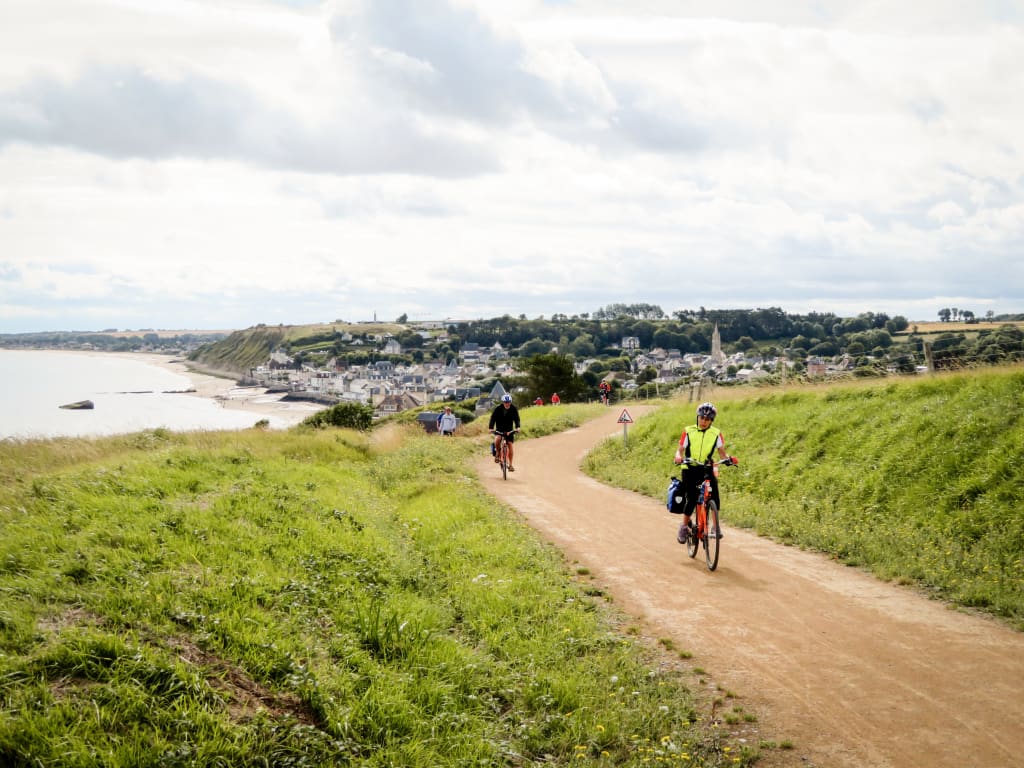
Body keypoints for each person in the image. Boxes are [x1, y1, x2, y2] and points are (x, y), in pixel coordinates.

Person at [672, 402, 736, 543]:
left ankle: (715, 527)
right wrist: (678, 457)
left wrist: (728, 459)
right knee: (692, 497)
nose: (704, 421)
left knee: (714, 495)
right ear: (698, 417)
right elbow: (680, 450)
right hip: (689, 467)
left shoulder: (716, 434)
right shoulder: (688, 431)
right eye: (701, 418)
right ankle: (684, 526)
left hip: (706, 467)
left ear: (711, 421)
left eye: (707, 419)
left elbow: (722, 453)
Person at [488, 393, 521, 470]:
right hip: (499, 429)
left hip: (509, 430)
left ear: (510, 402)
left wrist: (518, 427)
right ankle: (498, 453)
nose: (507, 404)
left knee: (510, 445)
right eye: (505, 402)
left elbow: (517, 419)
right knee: (497, 439)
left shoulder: (513, 409)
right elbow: (493, 418)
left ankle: (510, 465)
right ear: (503, 402)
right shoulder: (498, 409)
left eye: (509, 402)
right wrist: (491, 428)